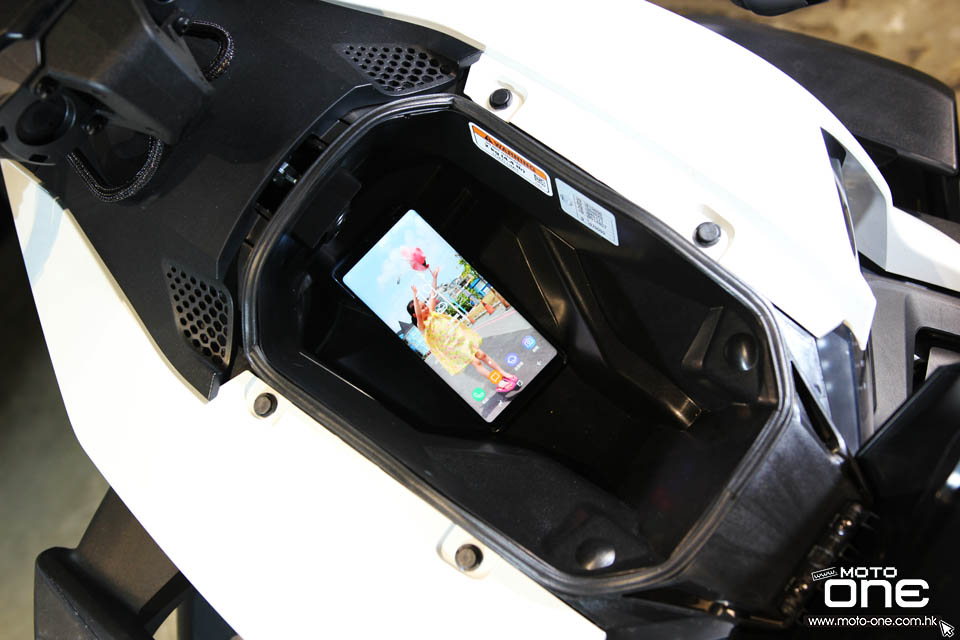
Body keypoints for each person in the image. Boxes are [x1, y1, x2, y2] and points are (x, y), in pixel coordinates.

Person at [409, 266, 520, 393]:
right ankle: (499, 383)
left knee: (482, 355)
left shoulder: (432, 313)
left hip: (460, 339)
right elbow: (419, 314)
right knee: (476, 362)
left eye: (425, 305)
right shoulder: (423, 326)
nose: (426, 308)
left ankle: (504, 374)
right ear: (415, 315)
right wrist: (414, 296)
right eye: (422, 308)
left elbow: (433, 294)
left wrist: (434, 278)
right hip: (454, 348)